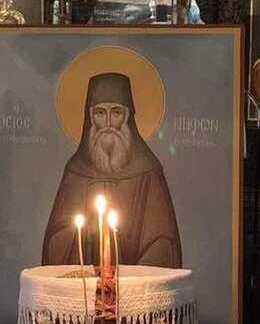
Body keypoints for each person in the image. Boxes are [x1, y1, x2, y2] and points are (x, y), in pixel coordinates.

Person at [41, 72, 182, 268]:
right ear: (90, 118)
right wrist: (85, 235)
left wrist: (136, 276)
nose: (107, 123)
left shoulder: (148, 170)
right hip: (85, 281)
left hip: (135, 282)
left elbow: (163, 241)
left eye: (116, 113)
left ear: (128, 117)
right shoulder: (75, 170)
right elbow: (56, 238)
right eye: (100, 113)